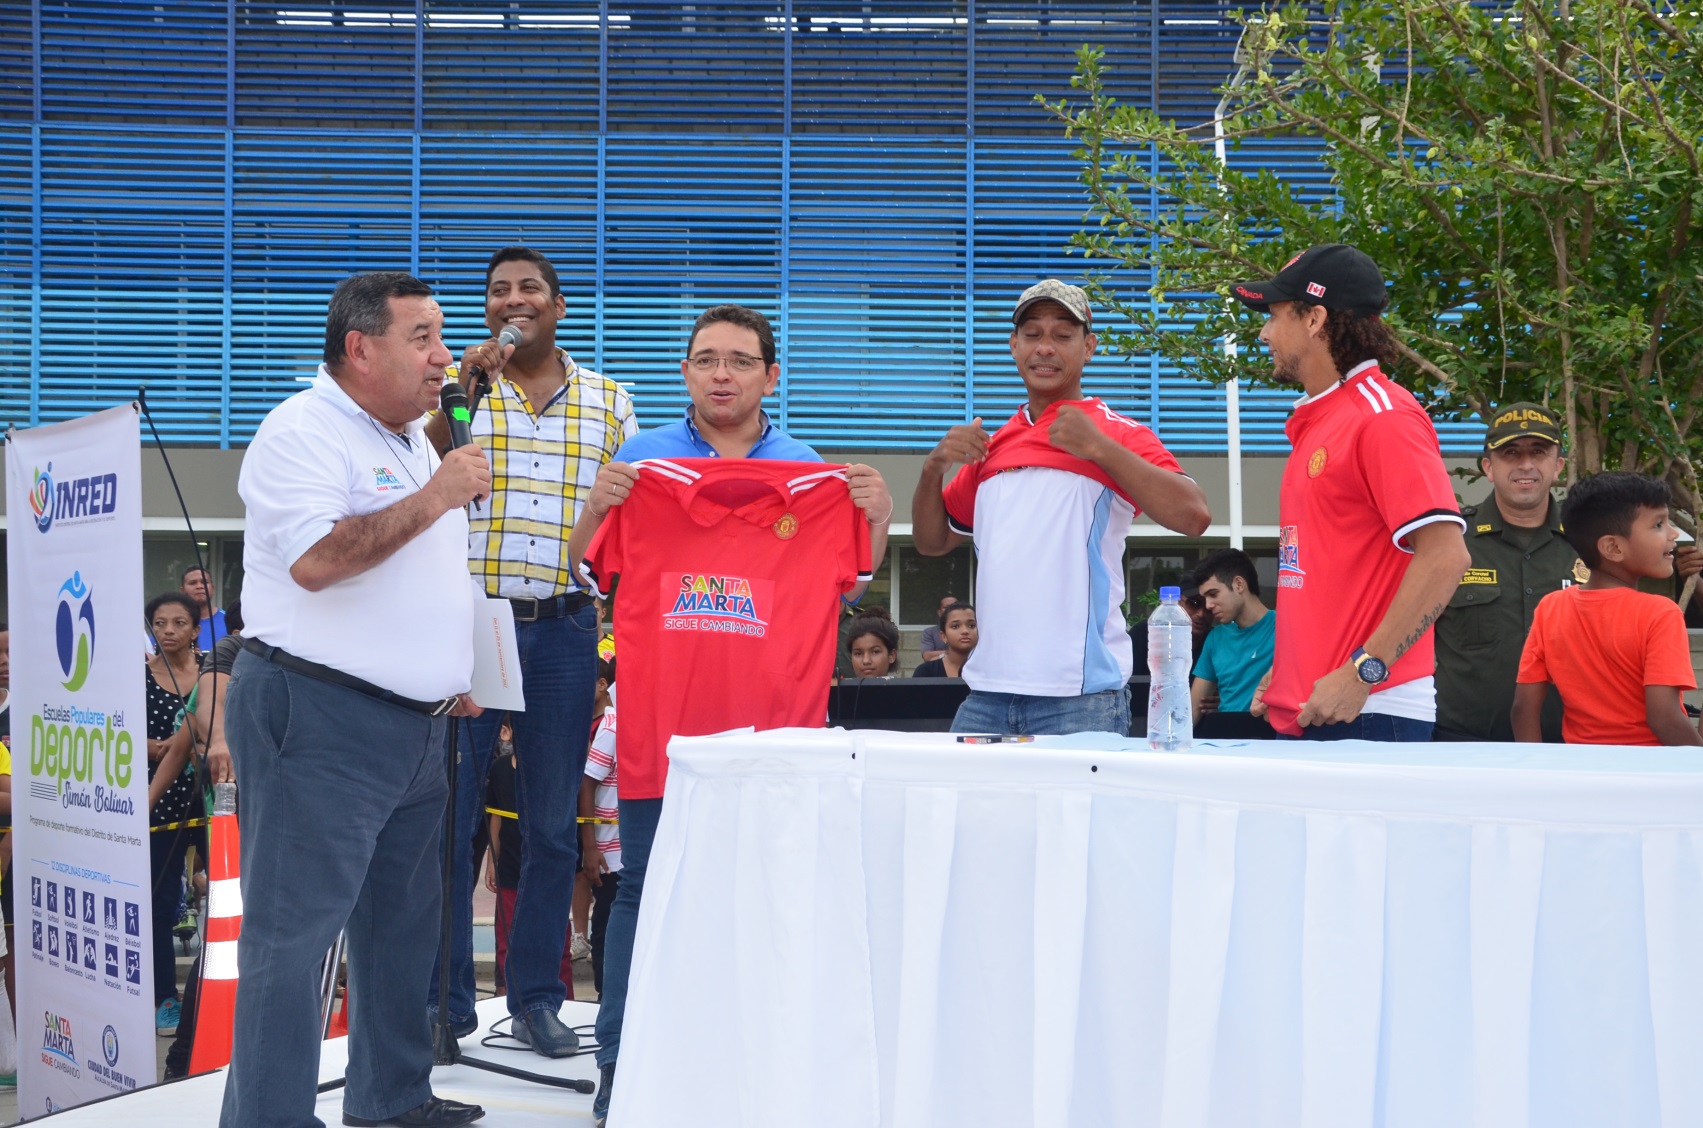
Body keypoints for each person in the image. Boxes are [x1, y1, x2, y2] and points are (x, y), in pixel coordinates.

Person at [566, 302, 893, 1126]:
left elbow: (852, 577)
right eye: (706, 358)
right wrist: (599, 506)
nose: (721, 373)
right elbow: (583, 561)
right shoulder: (640, 465)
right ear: (685, 372)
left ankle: (747, 1073)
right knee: (642, 896)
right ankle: (620, 1068)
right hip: (659, 737)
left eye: (739, 361)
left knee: (764, 899)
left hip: (771, 744)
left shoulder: (812, 477)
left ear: (768, 376)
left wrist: (877, 516)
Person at [220, 271, 488, 1128]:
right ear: (359, 348)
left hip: (417, 727)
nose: (444, 357)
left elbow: (423, 573)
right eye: (423, 339)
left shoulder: (412, 436)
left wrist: (455, 671)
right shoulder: (302, 431)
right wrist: (438, 493)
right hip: (319, 715)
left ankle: (391, 1100)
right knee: (291, 944)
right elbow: (320, 561)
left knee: (400, 933)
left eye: (442, 337)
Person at [420, 246, 635, 1057]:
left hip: (566, 626)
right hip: (470, 624)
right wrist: (459, 394)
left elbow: (629, 520)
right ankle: (443, 1006)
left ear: (558, 307)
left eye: (529, 289)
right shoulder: (457, 394)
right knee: (450, 824)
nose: (514, 300)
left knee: (549, 826)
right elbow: (426, 470)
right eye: (498, 290)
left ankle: (539, 997)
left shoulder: (612, 402)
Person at [912, 279, 1211, 737]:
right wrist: (934, 467)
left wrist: (1099, 449)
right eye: (1032, 334)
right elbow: (931, 542)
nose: (1045, 348)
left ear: (1088, 347)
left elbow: (1194, 517)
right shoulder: (992, 445)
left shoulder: (1118, 433)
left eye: (1062, 335)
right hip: (986, 693)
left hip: (1080, 699)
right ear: (1013, 346)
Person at [1233, 245, 1469, 741]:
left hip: (1371, 711)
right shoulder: (1325, 417)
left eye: (1274, 316)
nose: (1264, 333)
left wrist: (1364, 671)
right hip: (1320, 707)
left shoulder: (1383, 416)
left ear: (1315, 318)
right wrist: (1292, 669)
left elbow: (1447, 556)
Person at [1513, 473, 1702, 746]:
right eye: (1659, 524)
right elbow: (1664, 717)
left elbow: (1523, 709)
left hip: (1584, 772)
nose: (1673, 534)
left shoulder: (1551, 607)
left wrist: (1531, 768)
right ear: (1612, 547)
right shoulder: (1660, 613)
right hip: (1651, 776)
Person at [1433, 403, 1576, 743]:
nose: (1525, 464)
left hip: (1570, 749)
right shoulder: (1450, 543)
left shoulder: (1588, 544)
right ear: (1489, 467)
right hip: (1462, 746)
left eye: (1538, 452)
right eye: (1510, 453)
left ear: (1557, 467)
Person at [143, 590, 202, 1037]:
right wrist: (156, 748)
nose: (168, 631)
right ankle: (166, 997)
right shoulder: (136, 677)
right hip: (157, 800)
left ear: (195, 630)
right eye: (160, 623)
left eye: (178, 623)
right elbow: (112, 731)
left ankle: (214, 993)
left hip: (209, 800)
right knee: (160, 904)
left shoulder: (213, 674)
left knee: (226, 896)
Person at [1186, 549, 1275, 722]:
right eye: (1205, 599)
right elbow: (1193, 709)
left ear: (1239, 585)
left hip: (1273, 738)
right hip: (1223, 738)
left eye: (1213, 594)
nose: (1209, 606)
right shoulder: (1216, 637)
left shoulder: (1286, 628)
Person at [580, 658, 620, 996]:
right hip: (610, 853)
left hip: (629, 849)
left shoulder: (619, 722)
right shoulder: (612, 726)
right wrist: (591, 848)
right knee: (608, 930)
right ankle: (605, 1005)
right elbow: (587, 783)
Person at [913, 602, 977, 678]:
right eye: (955, 626)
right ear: (943, 636)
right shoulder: (926, 672)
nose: (965, 631)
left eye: (971, 625)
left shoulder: (992, 670)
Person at [181, 566, 228, 651]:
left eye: (204, 582)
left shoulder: (229, 620)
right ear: (182, 591)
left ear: (213, 589)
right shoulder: (172, 623)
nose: (199, 586)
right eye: (192, 583)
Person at [846, 608, 902, 678]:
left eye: (875, 652)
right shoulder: (838, 689)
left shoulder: (904, 689)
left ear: (891, 655)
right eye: (858, 654)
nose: (866, 661)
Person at [918, 595, 959, 662]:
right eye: (947, 607)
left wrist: (939, 654)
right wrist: (956, 653)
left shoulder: (969, 631)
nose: (951, 610)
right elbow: (927, 656)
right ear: (939, 612)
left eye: (955, 607)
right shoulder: (929, 632)